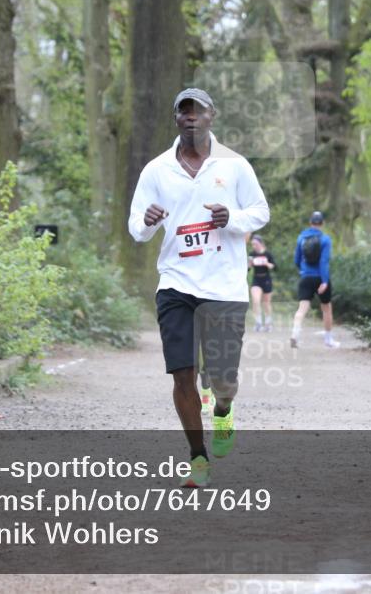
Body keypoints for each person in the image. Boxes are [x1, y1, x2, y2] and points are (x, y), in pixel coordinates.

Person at [129, 88, 269, 488]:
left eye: (199, 111)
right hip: (176, 284)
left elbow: (260, 212)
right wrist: (148, 220)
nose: (191, 117)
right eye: (184, 111)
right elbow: (136, 228)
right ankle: (197, 457)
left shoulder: (235, 165)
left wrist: (232, 217)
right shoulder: (156, 170)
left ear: (212, 116)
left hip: (224, 287)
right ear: (176, 119)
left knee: (223, 378)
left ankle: (223, 408)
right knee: (182, 375)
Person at [291, 211, 340, 349]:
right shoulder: (325, 239)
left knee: (302, 308)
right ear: (322, 223)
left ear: (310, 223)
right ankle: (328, 340)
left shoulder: (301, 238)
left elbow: (296, 259)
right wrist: (324, 281)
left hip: (306, 277)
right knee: (326, 308)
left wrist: (303, 271)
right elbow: (324, 261)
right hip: (320, 278)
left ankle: (295, 335)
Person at [248, 234, 276, 332]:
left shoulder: (268, 254)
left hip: (266, 279)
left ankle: (268, 323)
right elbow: (247, 269)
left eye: (255, 244)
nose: (254, 246)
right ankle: (258, 322)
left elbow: (275, 267)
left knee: (266, 303)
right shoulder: (252, 254)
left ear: (260, 243)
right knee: (255, 301)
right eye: (252, 244)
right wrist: (249, 265)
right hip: (256, 280)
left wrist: (267, 263)